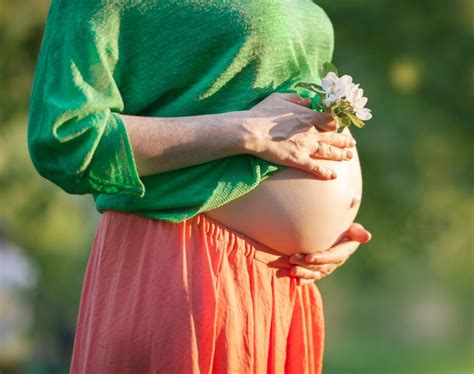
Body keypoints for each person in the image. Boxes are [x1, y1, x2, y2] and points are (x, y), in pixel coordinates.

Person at [27, 1, 372, 373]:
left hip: (286, 281)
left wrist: (332, 226)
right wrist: (247, 131)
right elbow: (66, 138)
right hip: (190, 262)